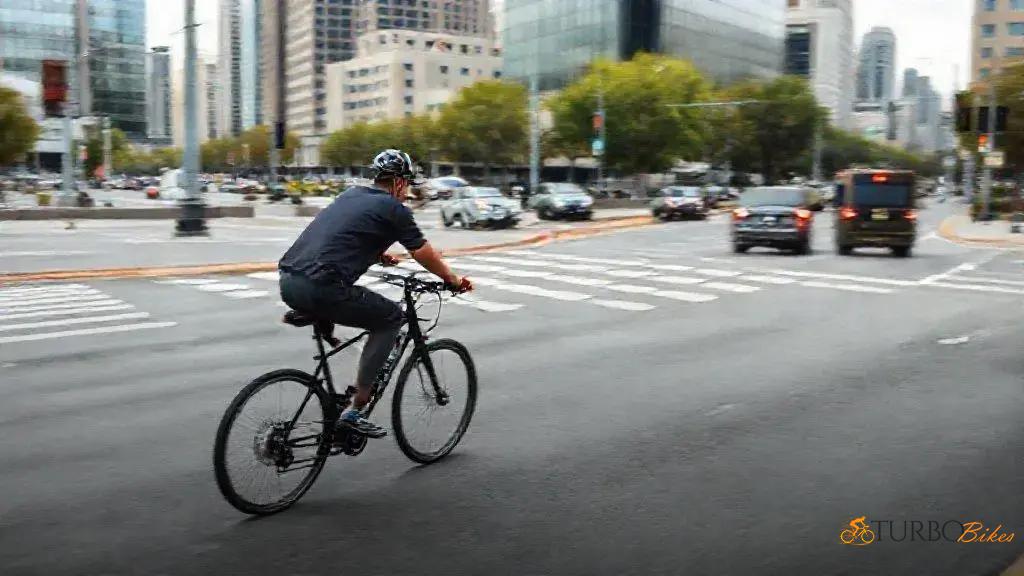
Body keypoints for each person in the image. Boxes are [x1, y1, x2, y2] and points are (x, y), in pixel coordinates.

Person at [278, 149, 472, 438]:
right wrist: (452, 280)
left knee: (342, 306)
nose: (406, 192)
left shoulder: (351, 195)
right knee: (390, 319)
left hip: (289, 281)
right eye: (406, 185)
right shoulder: (395, 209)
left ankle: (335, 398)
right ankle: (356, 408)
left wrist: (379, 255)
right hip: (323, 286)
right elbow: (421, 251)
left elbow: (342, 234)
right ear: (397, 183)